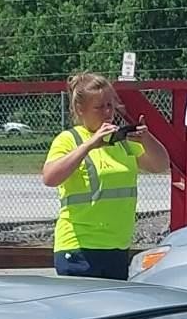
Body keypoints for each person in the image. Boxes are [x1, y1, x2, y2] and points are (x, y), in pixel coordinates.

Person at [40, 72, 168, 279]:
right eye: (99, 107)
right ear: (80, 109)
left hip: (116, 245)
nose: (107, 112)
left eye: (110, 105)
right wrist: (89, 145)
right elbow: (50, 178)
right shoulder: (69, 139)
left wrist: (147, 138)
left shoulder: (122, 141)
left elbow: (160, 165)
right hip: (79, 246)